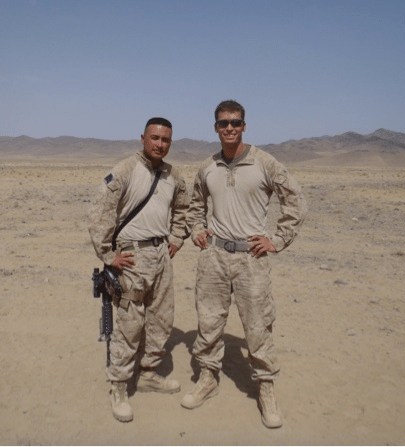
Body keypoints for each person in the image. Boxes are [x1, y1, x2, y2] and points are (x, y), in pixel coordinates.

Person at [182, 100, 307, 429]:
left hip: (252, 259)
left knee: (257, 326)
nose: (229, 128)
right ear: (215, 128)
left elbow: (295, 200)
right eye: (223, 123)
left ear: (244, 125)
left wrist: (277, 240)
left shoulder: (264, 162)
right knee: (208, 322)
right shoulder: (207, 166)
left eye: (235, 122)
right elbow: (194, 203)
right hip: (214, 257)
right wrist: (197, 230)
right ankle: (208, 378)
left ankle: (265, 389)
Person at [88, 117, 190, 423]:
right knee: (130, 321)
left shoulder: (173, 175)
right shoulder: (125, 170)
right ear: (143, 138)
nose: (160, 144)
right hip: (132, 256)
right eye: (155, 138)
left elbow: (183, 207)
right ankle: (118, 385)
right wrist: (108, 255)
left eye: (166, 140)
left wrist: (176, 236)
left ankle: (148, 374)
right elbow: (99, 213)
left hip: (161, 254)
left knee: (161, 317)